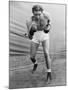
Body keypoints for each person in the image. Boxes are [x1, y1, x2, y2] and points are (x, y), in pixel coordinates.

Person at [26, 5, 52, 82]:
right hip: (35, 36)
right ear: (32, 13)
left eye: (39, 14)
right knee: (32, 57)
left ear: (42, 12)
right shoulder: (29, 20)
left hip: (45, 36)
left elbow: (50, 21)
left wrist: (49, 26)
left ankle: (49, 73)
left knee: (46, 53)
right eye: (35, 14)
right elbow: (30, 37)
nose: (37, 16)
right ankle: (36, 63)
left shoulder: (46, 15)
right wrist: (31, 32)